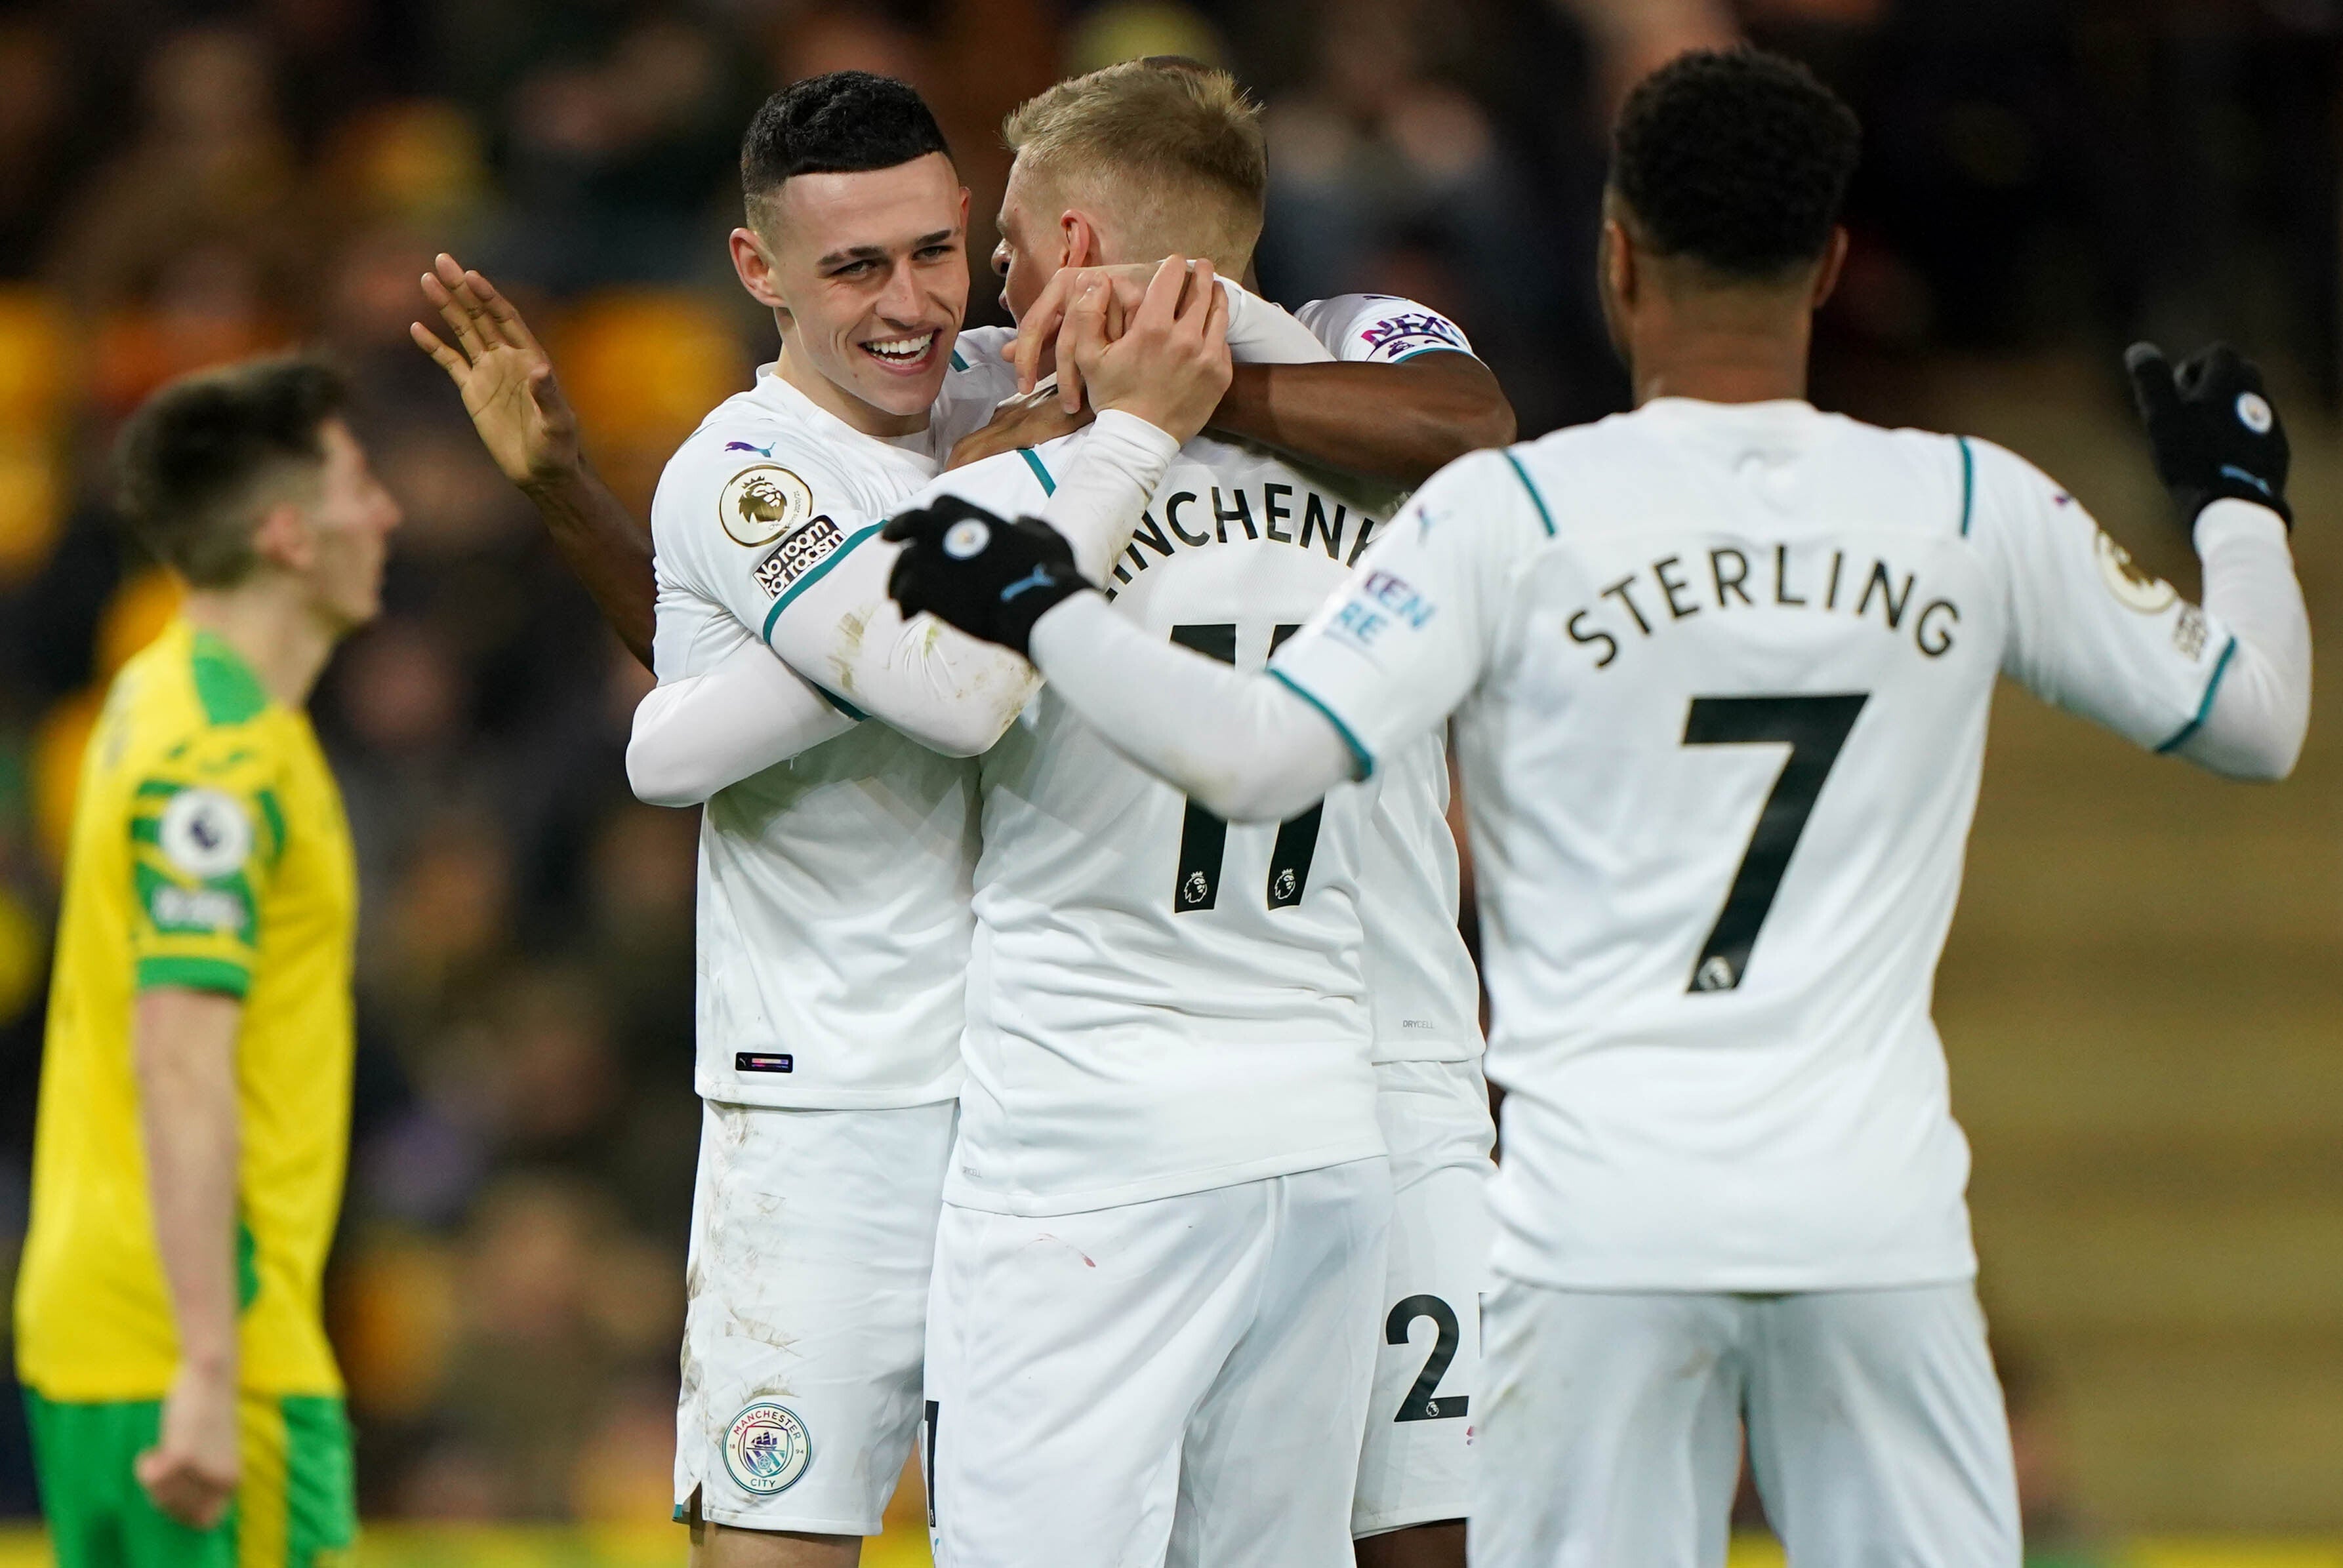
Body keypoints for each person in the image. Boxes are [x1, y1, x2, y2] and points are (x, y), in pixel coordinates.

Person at [882, 48, 2313, 1568]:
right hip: (1870, 1203)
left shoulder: (1525, 521)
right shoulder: (1968, 501)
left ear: (1616, 258)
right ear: (1831, 264)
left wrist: (1052, 606)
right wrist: (2234, 510)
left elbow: (1253, 754)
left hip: (1593, 1206)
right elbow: (2253, 715)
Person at [414, 68, 1505, 1567]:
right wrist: (596, 538)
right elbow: (870, 657)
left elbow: (1471, 420)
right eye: (868, 264)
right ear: (765, 271)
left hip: (1115, 1107)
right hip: (931, 1091)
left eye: (957, 251)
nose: (938, 300)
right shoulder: (867, 431)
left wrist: (1143, 408)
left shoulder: (1133, 376)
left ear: (1047, 236)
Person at [14, 357, 402, 1567]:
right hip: (204, 1351)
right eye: (358, 484)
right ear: (289, 534)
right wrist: (207, 1367)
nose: (385, 513)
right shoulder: (223, 761)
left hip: (98, 1332)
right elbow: (179, 1058)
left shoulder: (154, 698)